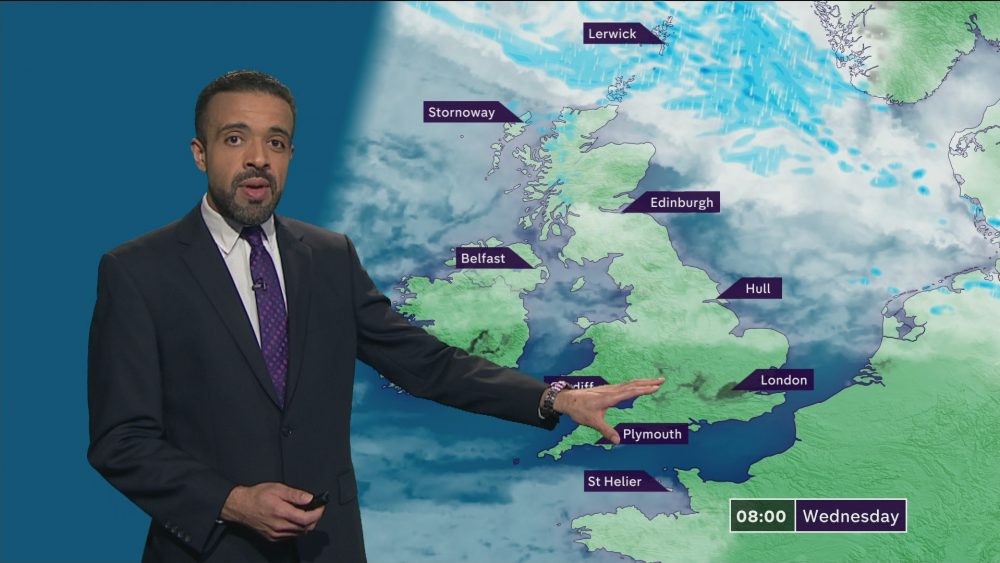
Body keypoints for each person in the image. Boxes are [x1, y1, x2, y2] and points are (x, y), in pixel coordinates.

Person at [87, 70, 664, 563]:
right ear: (200, 153)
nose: (258, 157)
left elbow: (425, 363)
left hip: (327, 547)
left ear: (290, 156)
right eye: (235, 138)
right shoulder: (138, 272)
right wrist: (232, 501)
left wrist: (552, 399)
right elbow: (121, 441)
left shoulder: (328, 257)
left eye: (276, 141)